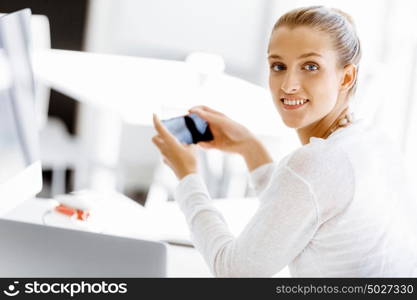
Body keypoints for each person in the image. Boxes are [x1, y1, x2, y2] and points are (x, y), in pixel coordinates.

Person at [151, 6, 417, 277]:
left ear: (346, 77)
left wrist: (187, 177)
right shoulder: (375, 143)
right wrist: (248, 146)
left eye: (310, 67)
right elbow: (300, 209)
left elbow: (233, 272)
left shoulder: (317, 162)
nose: (289, 85)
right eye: (278, 66)